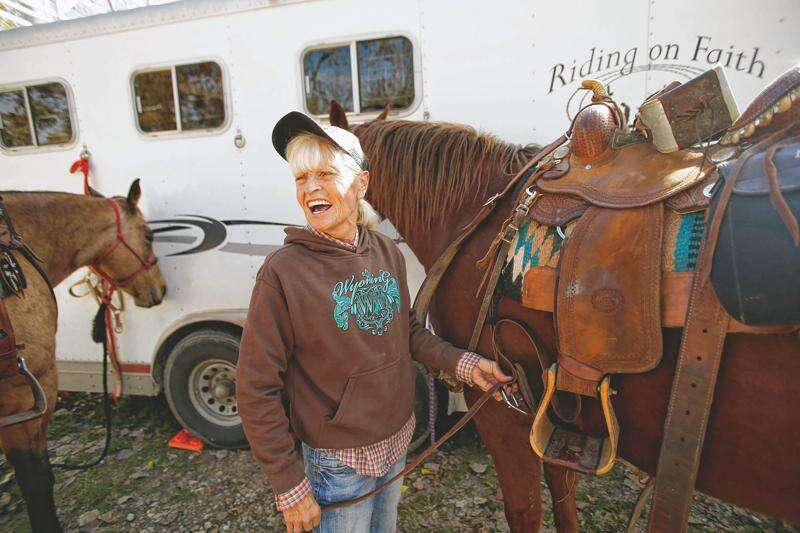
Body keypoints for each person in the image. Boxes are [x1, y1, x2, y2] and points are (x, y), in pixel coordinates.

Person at [236, 111, 511, 533]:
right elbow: (256, 387)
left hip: (397, 438)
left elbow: (408, 333)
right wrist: (289, 484)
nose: (310, 188)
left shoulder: (385, 251)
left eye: (325, 173)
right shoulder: (282, 274)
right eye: (300, 178)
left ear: (360, 184)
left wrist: (466, 365)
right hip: (338, 461)